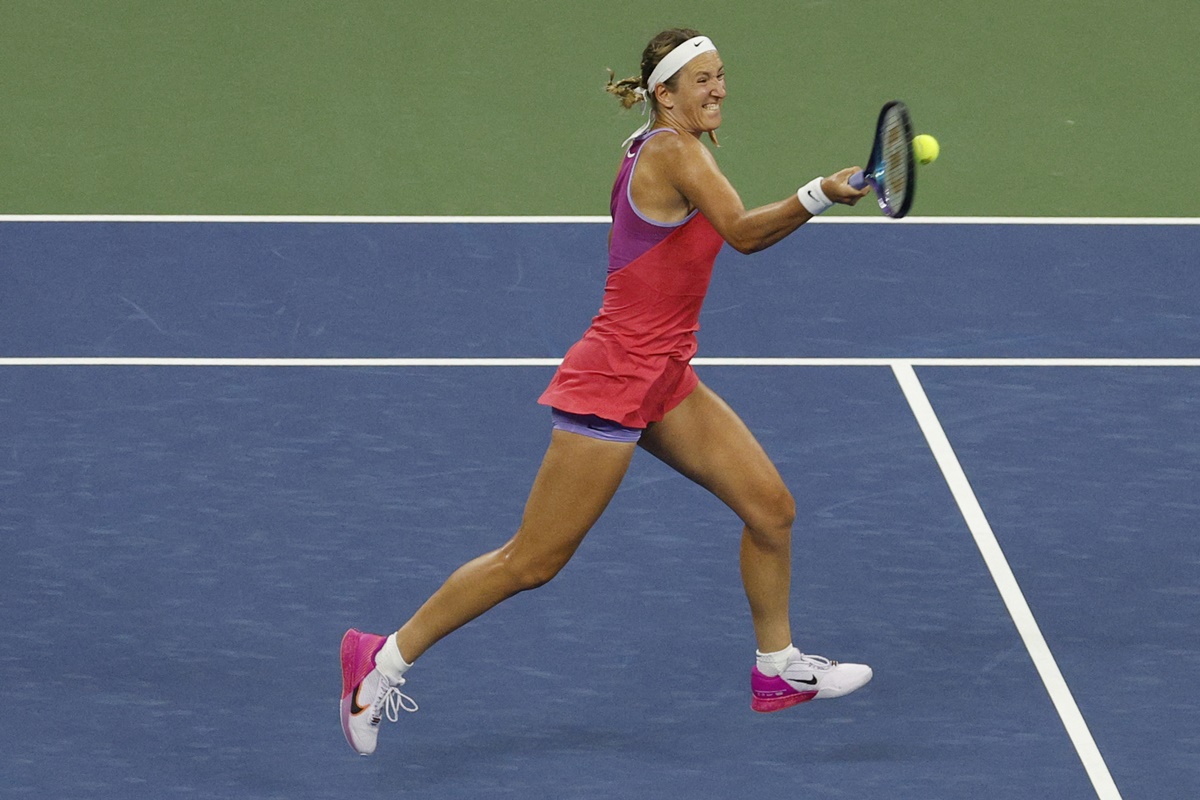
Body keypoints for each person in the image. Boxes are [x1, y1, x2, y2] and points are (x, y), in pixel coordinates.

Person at [340, 27, 872, 757]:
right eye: (704, 80)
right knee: (531, 561)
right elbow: (744, 234)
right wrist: (820, 193)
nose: (719, 89)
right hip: (616, 379)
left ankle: (777, 668)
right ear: (666, 94)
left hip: (662, 377)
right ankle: (381, 658)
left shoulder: (660, 147)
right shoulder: (674, 152)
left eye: (722, 76)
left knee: (770, 511)